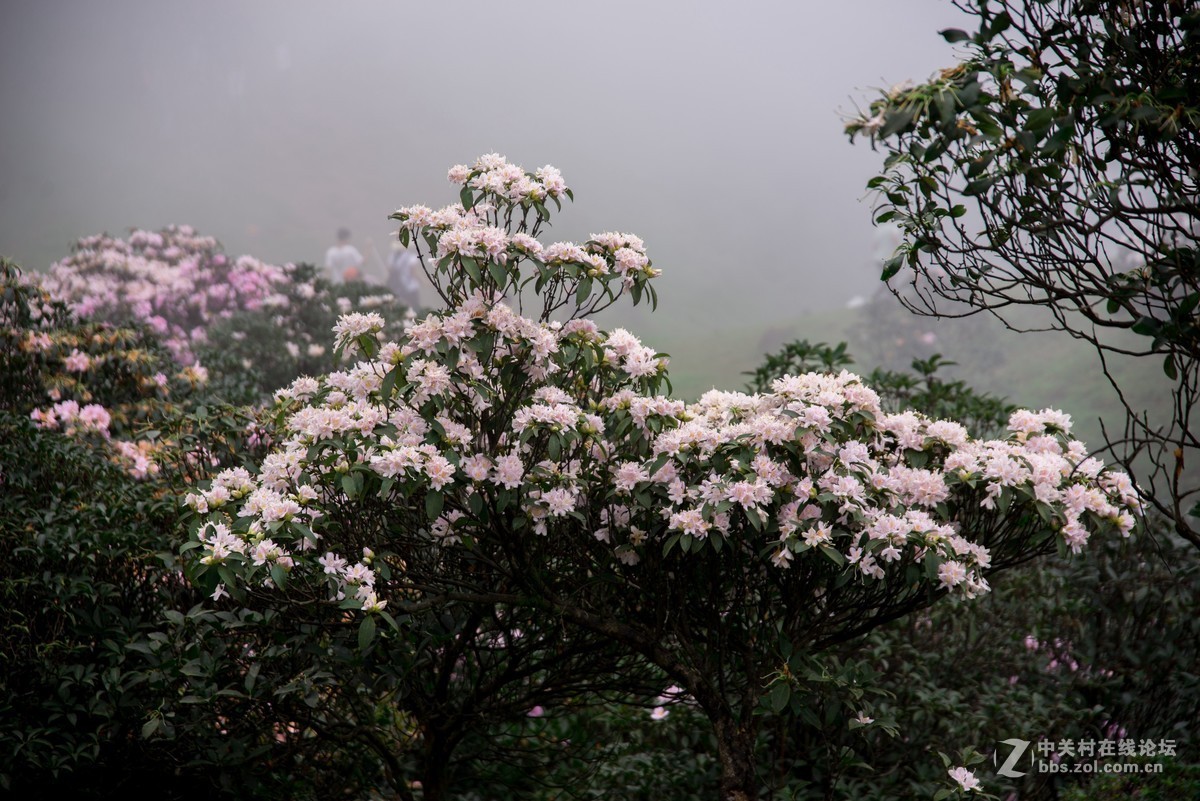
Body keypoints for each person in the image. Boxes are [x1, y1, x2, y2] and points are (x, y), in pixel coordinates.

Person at [386, 241, 422, 309]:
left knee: (399, 306)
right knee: (415, 306)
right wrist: (424, 282)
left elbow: (389, 270)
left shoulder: (392, 256)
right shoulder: (411, 257)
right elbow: (414, 273)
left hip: (397, 286)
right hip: (410, 286)